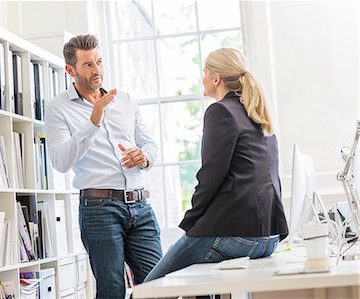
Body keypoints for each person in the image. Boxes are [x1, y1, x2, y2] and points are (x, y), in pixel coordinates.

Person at [144, 48, 289, 282]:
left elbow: (211, 176)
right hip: (268, 238)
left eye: (204, 72)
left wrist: (190, 221)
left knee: (151, 286)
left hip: (235, 233)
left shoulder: (220, 111)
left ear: (216, 78)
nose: (202, 78)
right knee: (202, 283)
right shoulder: (258, 114)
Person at [45, 34, 162, 299]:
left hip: (140, 206)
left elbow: (150, 144)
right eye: (87, 65)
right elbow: (60, 161)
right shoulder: (58, 109)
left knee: (158, 284)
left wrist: (144, 157)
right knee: (111, 290)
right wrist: (93, 121)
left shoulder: (124, 101)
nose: (96, 70)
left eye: (98, 61)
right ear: (70, 70)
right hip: (99, 210)